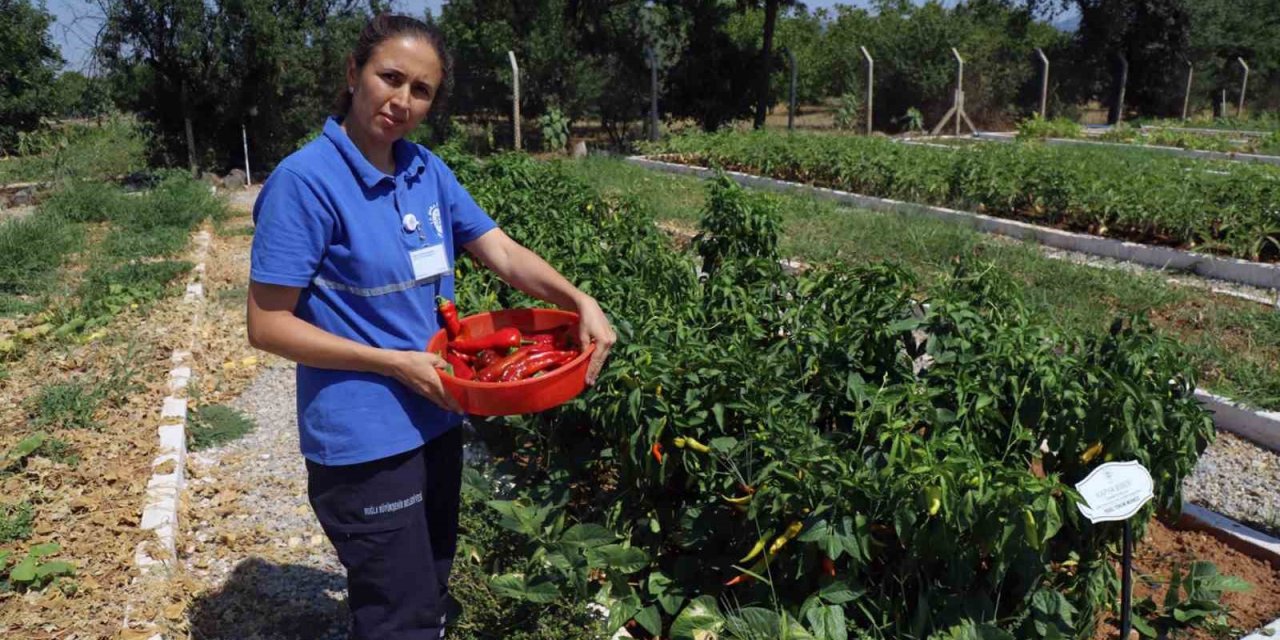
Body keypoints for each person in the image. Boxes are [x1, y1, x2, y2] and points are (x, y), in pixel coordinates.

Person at [245, 14, 616, 639]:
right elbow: (267, 325)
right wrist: (392, 361)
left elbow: (499, 251)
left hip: (437, 416)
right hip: (363, 436)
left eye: (421, 90)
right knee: (401, 615)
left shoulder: (425, 171)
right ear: (354, 73)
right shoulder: (306, 183)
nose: (402, 101)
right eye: (390, 77)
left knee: (429, 584)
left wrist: (579, 299)